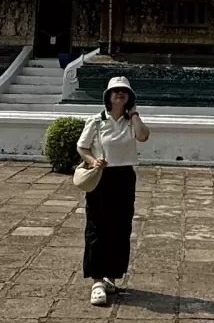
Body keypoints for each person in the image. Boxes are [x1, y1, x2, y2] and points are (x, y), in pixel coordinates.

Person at [77, 76, 149, 307]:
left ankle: (110, 276)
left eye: (124, 92)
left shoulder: (131, 122)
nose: (119, 95)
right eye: (115, 92)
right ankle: (97, 280)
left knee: (121, 226)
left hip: (124, 176)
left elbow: (143, 136)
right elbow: (82, 145)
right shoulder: (97, 121)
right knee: (97, 226)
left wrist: (134, 113)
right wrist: (92, 160)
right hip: (102, 176)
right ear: (108, 96)